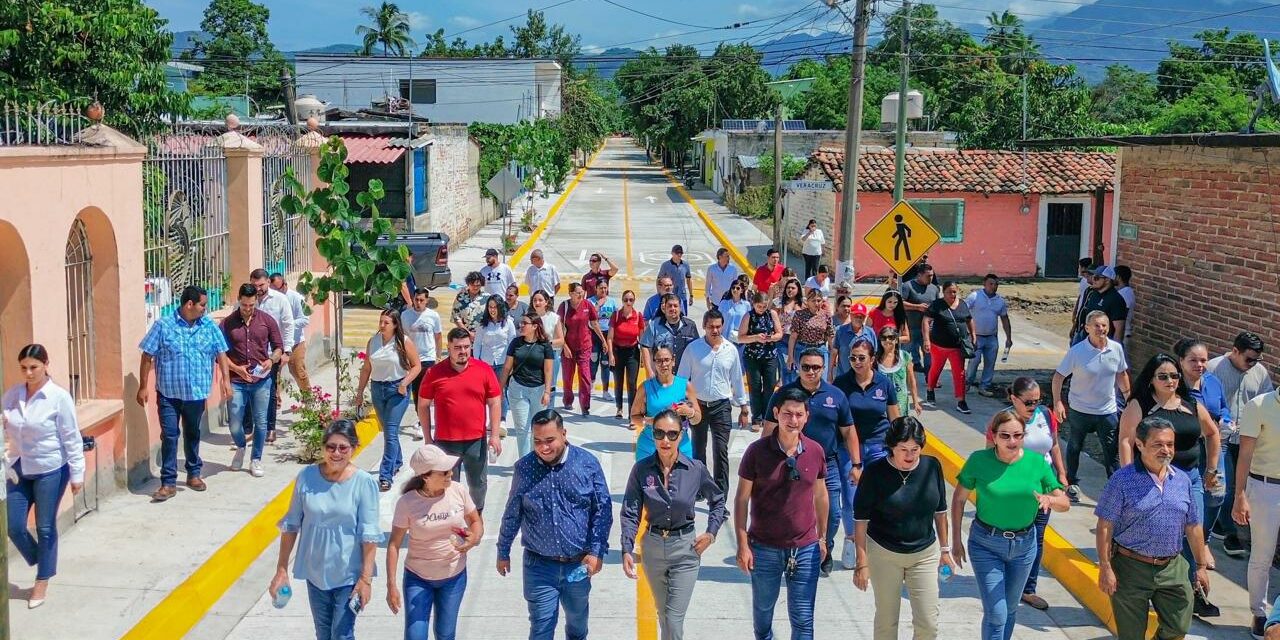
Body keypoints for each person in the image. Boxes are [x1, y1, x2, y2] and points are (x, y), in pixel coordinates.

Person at [1116, 353, 1222, 618]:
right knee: (1160, 536)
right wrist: (1130, 478)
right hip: (1151, 480)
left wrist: (1211, 469)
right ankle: (1161, 588)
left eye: (1174, 375)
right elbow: (1126, 441)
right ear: (1151, 380)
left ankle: (1192, 591)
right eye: (1162, 376)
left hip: (1190, 480)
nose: (1170, 380)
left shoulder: (1191, 405)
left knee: (1193, 532)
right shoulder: (1140, 405)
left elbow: (1212, 433)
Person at [951, 410, 1070, 640]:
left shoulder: (1036, 463)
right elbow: (958, 499)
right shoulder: (979, 461)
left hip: (1025, 547)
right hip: (986, 544)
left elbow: (1064, 503)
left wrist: (1051, 499)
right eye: (1005, 436)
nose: (1012, 441)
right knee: (997, 613)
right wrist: (956, 541)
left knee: (1010, 610)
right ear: (994, 436)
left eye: (1018, 435)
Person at [497, 410, 613, 640]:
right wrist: (503, 550)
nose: (543, 447)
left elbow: (603, 510)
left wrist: (597, 551)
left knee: (577, 627)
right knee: (541, 628)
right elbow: (512, 513)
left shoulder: (587, 464)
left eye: (550, 440)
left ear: (564, 434)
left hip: (578, 565)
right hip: (538, 565)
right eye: (537, 441)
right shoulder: (524, 468)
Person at [1096, 416, 1212, 640]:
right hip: (1130, 568)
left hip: (1172, 567)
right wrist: (1105, 566)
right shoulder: (1122, 480)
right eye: (1158, 444)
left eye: (1170, 444)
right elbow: (1105, 525)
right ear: (1139, 445)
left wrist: (1200, 565)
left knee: (1178, 628)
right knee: (1131, 636)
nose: (1166, 450)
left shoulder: (1183, 481)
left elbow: (1193, 526)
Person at [620, 410, 727, 640]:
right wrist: (627, 548)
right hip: (653, 549)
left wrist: (711, 534)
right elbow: (630, 512)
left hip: (685, 551)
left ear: (681, 436)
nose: (665, 440)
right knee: (664, 614)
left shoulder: (695, 469)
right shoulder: (641, 470)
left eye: (672, 434)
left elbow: (718, 501)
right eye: (659, 433)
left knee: (673, 618)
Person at [271, 420, 381, 640]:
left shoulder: (364, 482)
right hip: (316, 572)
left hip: (349, 575)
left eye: (343, 448)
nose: (336, 453)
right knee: (323, 633)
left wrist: (365, 580)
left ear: (354, 448)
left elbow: (369, 535)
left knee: (342, 634)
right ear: (323, 447)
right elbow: (291, 525)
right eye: (331, 447)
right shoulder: (306, 477)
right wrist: (281, 569)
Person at [735, 387, 829, 640]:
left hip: (805, 547)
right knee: (763, 612)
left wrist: (822, 538)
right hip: (764, 548)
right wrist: (743, 545)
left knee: (803, 618)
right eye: (787, 413)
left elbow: (821, 495)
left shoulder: (816, 451)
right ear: (776, 413)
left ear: (807, 416)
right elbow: (742, 500)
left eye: (799, 414)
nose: (793, 420)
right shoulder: (756, 452)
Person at [852, 417, 951, 640]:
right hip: (884, 553)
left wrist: (945, 550)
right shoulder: (875, 472)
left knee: (928, 623)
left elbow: (940, 511)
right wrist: (862, 562)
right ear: (891, 447)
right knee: (887, 622)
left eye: (915, 449)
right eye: (903, 449)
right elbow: (860, 520)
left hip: (924, 553)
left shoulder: (932, 466)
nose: (909, 455)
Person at [4, 344, 85, 608]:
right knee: (14, 526)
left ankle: (42, 581)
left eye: (33, 367)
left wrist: (77, 473)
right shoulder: (13, 395)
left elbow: (71, 437)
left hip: (50, 468)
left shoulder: (58, 397)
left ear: (45, 365)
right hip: (18, 467)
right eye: (24, 368)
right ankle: (44, 559)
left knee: (45, 526)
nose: (28, 373)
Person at [767, 348, 860, 578]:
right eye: (806, 367)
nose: (811, 371)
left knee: (834, 513)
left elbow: (848, 432)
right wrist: (767, 461)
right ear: (798, 366)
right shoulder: (784, 394)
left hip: (827, 465)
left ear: (824, 368)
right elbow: (769, 429)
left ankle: (823, 548)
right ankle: (792, 553)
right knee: (790, 510)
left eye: (816, 367)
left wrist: (856, 464)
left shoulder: (836, 395)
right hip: (791, 461)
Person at [137, 285, 231, 501]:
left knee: (192, 432)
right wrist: (143, 386)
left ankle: (193, 473)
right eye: (203, 305)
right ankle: (168, 482)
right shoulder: (163, 325)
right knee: (170, 435)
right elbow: (147, 355)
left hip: (196, 393)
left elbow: (221, 353)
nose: (205, 309)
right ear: (190, 304)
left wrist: (226, 380)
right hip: (168, 394)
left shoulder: (208, 325)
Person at [386, 445, 484, 640]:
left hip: (454, 576)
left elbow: (475, 521)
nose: (450, 474)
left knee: (445, 633)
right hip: (418, 578)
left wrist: (474, 538)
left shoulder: (458, 490)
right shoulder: (407, 503)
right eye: (444, 472)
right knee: (416, 635)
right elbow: (394, 545)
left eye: (450, 470)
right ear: (425, 477)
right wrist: (391, 586)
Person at [998, 377, 1069, 612]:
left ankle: (1028, 588)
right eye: (1028, 402)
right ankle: (1006, 579)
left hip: (1044, 487)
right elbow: (992, 455)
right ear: (1014, 399)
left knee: (1036, 538)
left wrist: (1061, 472)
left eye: (1038, 401)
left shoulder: (1045, 415)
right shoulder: (1004, 421)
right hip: (1016, 489)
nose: (1033, 407)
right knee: (1012, 536)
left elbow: (1054, 445)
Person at [418, 329, 503, 512]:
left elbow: (495, 402)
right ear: (448, 347)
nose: (463, 351)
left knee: (478, 486)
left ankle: (476, 518)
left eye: (466, 347)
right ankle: (451, 521)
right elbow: (423, 405)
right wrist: (427, 438)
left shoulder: (484, 370)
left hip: (475, 441)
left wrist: (494, 435)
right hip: (445, 443)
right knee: (446, 487)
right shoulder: (434, 372)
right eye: (457, 347)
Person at [833, 339, 899, 568]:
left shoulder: (884, 384)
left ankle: (878, 543)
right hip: (848, 449)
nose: (857, 362)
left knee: (880, 497)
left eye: (862, 358)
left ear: (872, 359)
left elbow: (895, 418)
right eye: (852, 357)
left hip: (878, 447)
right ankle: (852, 541)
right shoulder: (841, 384)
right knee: (851, 498)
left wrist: (898, 447)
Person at [1052, 310, 1131, 502]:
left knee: (1111, 450)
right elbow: (1059, 377)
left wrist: (1129, 399)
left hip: (1107, 410)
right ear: (1087, 328)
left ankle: (1115, 487)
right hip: (1081, 409)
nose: (1101, 329)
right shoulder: (1077, 352)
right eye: (1096, 325)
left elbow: (1122, 374)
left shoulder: (1116, 349)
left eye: (1104, 325)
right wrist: (1057, 402)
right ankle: (1071, 483)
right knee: (1075, 445)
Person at [1208, 330, 1273, 558]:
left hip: (1249, 438)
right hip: (1221, 438)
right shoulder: (1213, 369)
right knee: (1226, 486)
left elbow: (1267, 402)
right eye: (1249, 359)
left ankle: (1221, 524)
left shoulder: (1260, 373)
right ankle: (1230, 534)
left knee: (1240, 485)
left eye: (1257, 359)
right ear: (1234, 351)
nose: (1253, 364)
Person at [678, 309, 750, 495]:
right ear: (704, 326)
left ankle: (719, 495)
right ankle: (701, 488)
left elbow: (737, 380)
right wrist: (681, 405)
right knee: (698, 449)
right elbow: (682, 379)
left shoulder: (731, 350)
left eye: (718, 326)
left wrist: (743, 407)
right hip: (698, 406)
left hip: (721, 406)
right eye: (711, 326)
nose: (715, 330)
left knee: (720, 452)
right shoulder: (693, 349)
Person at [1173, 337, 1230, 571]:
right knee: (1187, 502)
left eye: (1204, 360)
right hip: (1188, 450)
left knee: (1216, 495)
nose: (1199, 365)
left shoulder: (1213, 382)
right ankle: (1185, 546)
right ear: (1181, 361)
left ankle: (1202, 541)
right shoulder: (1175, 387)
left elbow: (1223, 407)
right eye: (1193, 360)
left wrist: (1226, 419)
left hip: (1215, 447)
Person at [221, 283, 285, 478]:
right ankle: (241, 446)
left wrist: (270, 360)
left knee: (261, 421)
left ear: (256, 301)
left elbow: (278, 347)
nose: (247, 309)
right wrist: (235, 369)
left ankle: (256, 458)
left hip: (261, 380)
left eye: (251, 305)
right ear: (238, 301)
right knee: (234, 422)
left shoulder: (267, 321)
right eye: (244, 305)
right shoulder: (227, 323)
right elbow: (220, 353)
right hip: (237, 380)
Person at [355, 308, 422, 492]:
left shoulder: (403, 342)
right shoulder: (373, 342)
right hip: (378, 389)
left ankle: (385, 475)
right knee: (387, 430)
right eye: (381, 321)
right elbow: (367, 369)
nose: (382, 325)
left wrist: (404, 383)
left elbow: (417, 366)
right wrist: (360, 393)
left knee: (390, 432)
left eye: (386, 322)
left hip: (397, 390)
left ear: (394, 325)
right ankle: (397, 460)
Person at [1235, 378, 1280, 639]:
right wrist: (1239, 494)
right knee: (1262, 556)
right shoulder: (1259, 405)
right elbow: (1245, 455)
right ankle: (1259, 612)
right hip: (1265, 488)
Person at [249, 268, 296, 445]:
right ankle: (256, 427)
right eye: (254, 285)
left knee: (270, 391)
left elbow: (288, 325)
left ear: (268, 282)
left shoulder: (280, 300)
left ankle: (270, 428)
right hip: (252, 354)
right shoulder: (248, 301)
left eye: (261, 285)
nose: (258, 289)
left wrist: (287, 351)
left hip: (272, 353)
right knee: (251, 391)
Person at [501, 311, 555, 459]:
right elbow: (507, 367)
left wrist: (547, 392)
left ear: (535, 326)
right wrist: (499, 388)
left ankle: (535, 458)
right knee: (522, 429)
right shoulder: (515, 343)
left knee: (537, 429)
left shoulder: (545, 345)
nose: (521, 326)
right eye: (521, 323)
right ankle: (524, 461)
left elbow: (548, 370)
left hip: (538, 389)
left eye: (525, 323)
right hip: (518, 388)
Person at [631, 345, 698, 458]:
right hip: (649, 447)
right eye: (659, 361)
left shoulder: (685, 385)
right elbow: (634, 417)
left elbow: (697, 419)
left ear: (673, 361)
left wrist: (689, 412)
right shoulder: (645, 387)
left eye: (667, 360)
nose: (663, 364)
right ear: (654, 363)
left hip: (680, 448)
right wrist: (651, 421)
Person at [922, 281, 976, 414]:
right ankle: (930, 390)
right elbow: (926, 320)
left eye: (954, 291)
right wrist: (926, 340)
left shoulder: (962, 304)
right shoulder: (937, 305)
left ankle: (961, 400)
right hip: (939, 346)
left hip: (957, 347)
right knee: (935, 369)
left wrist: (973, 334)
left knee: (960, 374)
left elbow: (969, 319)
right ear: (943, 292)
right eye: (949, 292)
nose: (952, 294)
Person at [402, 288, 443, 441]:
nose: (418, 303)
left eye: (421, 300)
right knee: (417, 392)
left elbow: (438, 336)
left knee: (428, 392)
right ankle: (422, 419)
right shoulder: (405, 316)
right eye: (416, 300)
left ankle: (425, 422)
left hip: (428, 358)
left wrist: (438, 356)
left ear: (427, 300)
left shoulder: (433, 316)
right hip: (413, 360)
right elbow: (403, 338)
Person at [557, 282, 605, 415]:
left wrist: (603, 341)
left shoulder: (587, 305)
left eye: (582, 292)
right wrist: (564, 346)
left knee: (585, 376)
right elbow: (559, 329)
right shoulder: (564, 306)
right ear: (571, 294)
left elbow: (594, 323)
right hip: (568, 347)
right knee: (568, 376)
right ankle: (568, 400)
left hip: (584, 346)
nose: (581, 294)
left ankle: (585, 406)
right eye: (578, 292)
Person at [740, 292, 783, 433]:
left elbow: (779, 334)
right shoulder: (749, 316)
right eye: (759, 306)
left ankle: (767, 416)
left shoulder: (772, 314)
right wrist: (755, 337)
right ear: (754, 304)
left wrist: (770, 338)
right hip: (752, 356)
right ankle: (757, 417)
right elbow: (741, 337)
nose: (762, 309)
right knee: (755, 386)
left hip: (769, 355)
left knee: (770, 386)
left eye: (764, 306)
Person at [965, 274, 1013, 397]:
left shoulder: (1000, 301)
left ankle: (984, 386)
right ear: (984, 284)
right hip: (976, 336)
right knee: (974, 361)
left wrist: (1008, 338)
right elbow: (963, 311)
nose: (993, 286)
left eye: (996, 284)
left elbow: (1005, 319)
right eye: (991, 284)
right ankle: (967, 383)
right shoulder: (975, 296)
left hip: (991, 337)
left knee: (990, 363)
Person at [474, 295, 517, 427]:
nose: (492, 310)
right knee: (486, 393)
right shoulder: (483, 325)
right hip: (486, 364)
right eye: (490, 307)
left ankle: (502, 419)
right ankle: (490, 419)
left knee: (501, 391)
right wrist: (476, 363)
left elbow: (512, 344)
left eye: (495, 307)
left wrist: (512, 365)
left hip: (502, 363)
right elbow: (477, 345)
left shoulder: (508, 323)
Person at [639, 294, 700, 379]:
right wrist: (649, 371)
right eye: (670, 306)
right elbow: (645, 346)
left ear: (680, 308)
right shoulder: (654, 325)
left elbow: (697, 349)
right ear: (664, 309)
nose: (673, 309)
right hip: (661, 376)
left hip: (683, 376)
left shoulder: (690, 325)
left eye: (675, 306)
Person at [271, 273, 312, 396]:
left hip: (295, 342)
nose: (276, 292)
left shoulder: (296, 298)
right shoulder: (271, 299)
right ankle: (275, 402)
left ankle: (308, 397)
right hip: (277, 343)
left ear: (285, 284)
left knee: (298, 371)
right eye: (273, 289)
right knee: (273, 374)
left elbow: (305, 320)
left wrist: (288, 324)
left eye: (278, 289)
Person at [610, 291, 645, 421]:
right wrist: (610, 354)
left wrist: (642, 356)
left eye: (631, 300)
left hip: (632, 352)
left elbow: (642, 338)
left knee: (631, 383)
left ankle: (632, 413)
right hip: (618, 352)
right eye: (626, 300)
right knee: (618, 382)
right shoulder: (616, 315)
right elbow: (610, 337)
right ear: (622, 300)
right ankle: (619, 408)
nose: (628, 302)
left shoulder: (638, 316)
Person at [1071, 265, 1128, 344]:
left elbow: (1119, 330)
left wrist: (1115, 349)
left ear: (1107, 280)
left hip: (1102, 343)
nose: (1093, 280)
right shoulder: (1093, 293)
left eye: (1096, 278)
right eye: (1093, 277)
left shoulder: (1116, 300)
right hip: (1086, 339)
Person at [899, 264, 940, 375]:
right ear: (919, 275)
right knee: (904, 354)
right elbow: (899, 303)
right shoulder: (907, 286)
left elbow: (938, 305)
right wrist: (917, 307)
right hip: (911, 328)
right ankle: (901, 376)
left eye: (932, 275)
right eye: (928, 276)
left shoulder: (934, 288)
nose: (931, 278)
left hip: (928, 329)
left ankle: (930, 377)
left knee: (929, 354)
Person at [877, 325, 923, 418]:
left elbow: (911, 380)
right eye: (884, 338)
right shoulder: (875, 359)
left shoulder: (905, 357)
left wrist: (915, 402)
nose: (887, 340)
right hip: (880, 402)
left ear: (896, 340)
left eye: (891, 337)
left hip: (900, 404)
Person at [788, 288, 833, 382]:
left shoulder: (826, 315)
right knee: (802, 380)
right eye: (813, 300)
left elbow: (830, 336)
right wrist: (790, 356)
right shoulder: (799, 315)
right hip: (802, 349)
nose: (816, 303)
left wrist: (833, 356)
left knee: (821, 379)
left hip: (820, 349)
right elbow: (793, 337)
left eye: (818, 300)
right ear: (807, 301)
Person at [531, 291, 565, 402]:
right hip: (533, 355)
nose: (537, 302)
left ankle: (549, 412)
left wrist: (546, 343)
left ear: (546, 302)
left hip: (550, 355)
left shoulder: (554, 318)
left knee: (550, 386)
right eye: (535, 300)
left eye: (540, 300)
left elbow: (561, 340)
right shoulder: (529, 318)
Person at [589, 280, 620, 402]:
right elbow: (591, 317)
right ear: (596, 288)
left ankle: (605, 391)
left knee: (605, 362)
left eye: (605, 288)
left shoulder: (612, 302)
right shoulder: (590, 301)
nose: (603, 290)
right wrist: (598, 305)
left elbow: (616, 318)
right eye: (601, 288)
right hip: (594, 334)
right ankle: (591, 384)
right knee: (593, 359)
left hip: (608, 335)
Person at [832, 300, 877, 381]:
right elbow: (834, 352)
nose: (858, 319)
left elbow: (874, 354)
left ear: (864, 318)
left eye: (861, 317)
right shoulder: (840, 331)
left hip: (864, 378)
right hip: (844, 376)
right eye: (856, 316)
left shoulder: (870, 332)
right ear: (851, 315)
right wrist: (830, 375)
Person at [774, 278, 804, 386]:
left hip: (797, 340)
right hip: (782, 339)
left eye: (793, 288)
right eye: (788, 287)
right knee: (786, 367)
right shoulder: (779, 301)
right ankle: (787, 391)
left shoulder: (802, 304)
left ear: (798, 290)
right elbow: (771, 314)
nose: (790, 290)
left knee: (797, 367)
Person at [716, 279, 751, 348]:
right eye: (733, 287)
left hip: (738, 340)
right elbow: (717, 319)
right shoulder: (724, 303)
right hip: (724, 339)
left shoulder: (747, 305)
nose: (735, 290)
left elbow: (749, 322)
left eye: (738, 288)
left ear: (742, 290)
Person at [658, 244, 693, 311]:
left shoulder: (685, 265)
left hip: (682, 296)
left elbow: (689, 279)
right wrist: (660, 294)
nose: (679, 255)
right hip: (668, 297)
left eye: (681, 253)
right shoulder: (665, 265)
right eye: (677, 253)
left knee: (683, 316)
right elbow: (659, 280)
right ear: (672, 253)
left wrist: (691, 295)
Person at [1114, 266, 1135, 345]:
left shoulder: (1125, 293)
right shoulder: (1122, 292)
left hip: (1122, 334)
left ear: (1118, 277)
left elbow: (1122, 314)